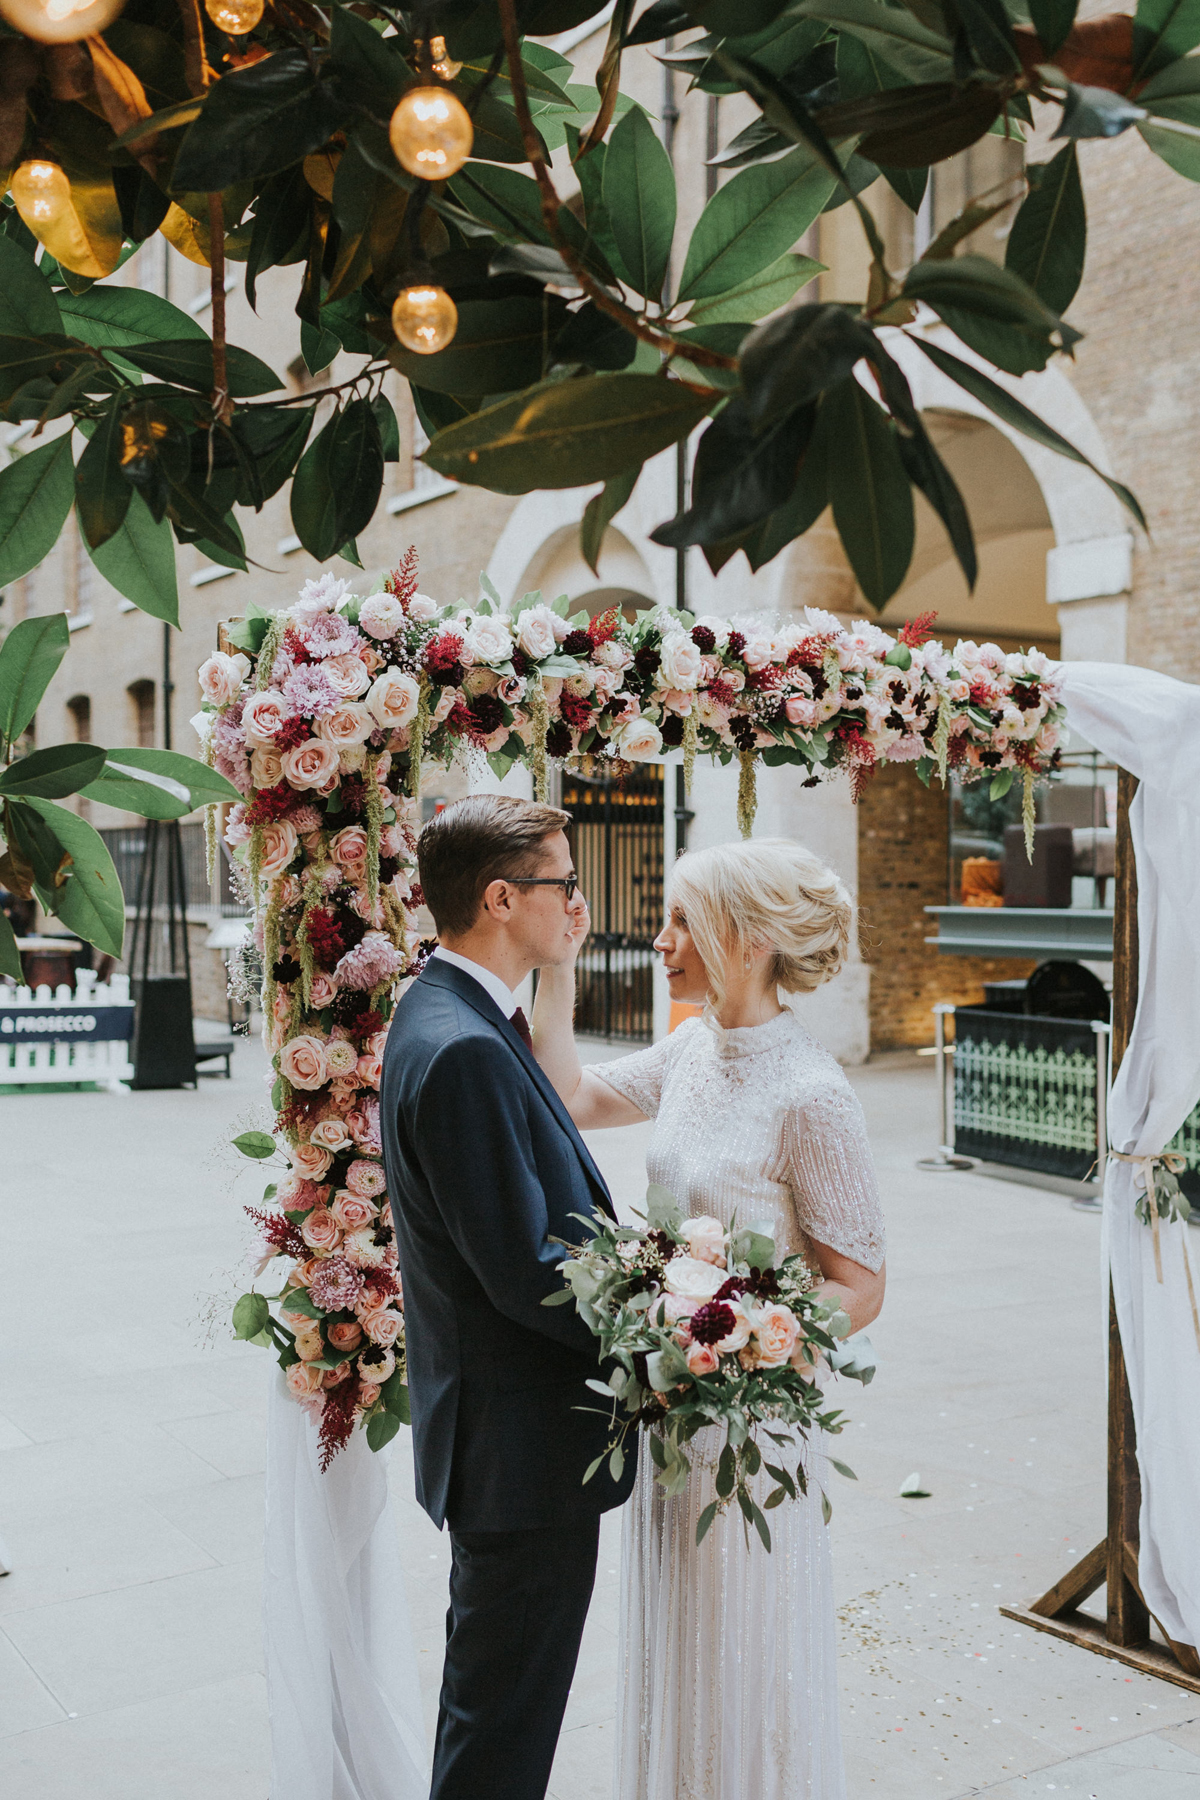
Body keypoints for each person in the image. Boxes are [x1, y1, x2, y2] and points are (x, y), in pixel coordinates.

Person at [531, 837, 887, 1800]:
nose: (661, 940)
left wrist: (739, 1339)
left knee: (744, 1637)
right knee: (680, 1627)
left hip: (750, 1427)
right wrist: (553, 968)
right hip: (670, 1414)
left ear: (752, 938)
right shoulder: (691, 1046)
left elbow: (860, 1284)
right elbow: (570, 1094)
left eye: (683, 920)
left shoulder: (812, 1094)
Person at [379, 793, 637, 1800]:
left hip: (498, 1440)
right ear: (499, 898)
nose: (576, 901)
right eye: (563, 883)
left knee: (494, 1707)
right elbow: (527, 1271)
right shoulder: (469, 1049)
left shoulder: (445, 1012)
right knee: (501, 1732)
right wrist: (669, 1333)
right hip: (520, 1453)